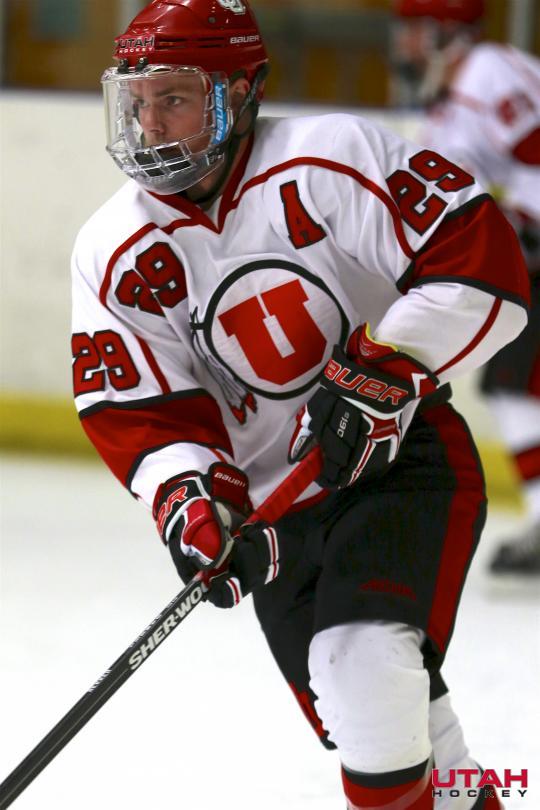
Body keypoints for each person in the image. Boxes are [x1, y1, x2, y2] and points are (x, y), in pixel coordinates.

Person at [71, 1, 529, 807]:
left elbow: (480, 261)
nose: (150, 123)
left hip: (396, 466)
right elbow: (141, 406)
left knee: (365, 675)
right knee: (394, 728)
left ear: (242, 93)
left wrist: (389, 367)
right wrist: (191, 498)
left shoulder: (332, 157)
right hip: (273, 517)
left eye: (175, 97)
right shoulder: (111, 246)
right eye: (137, 100)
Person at [393, 0, 540, 577]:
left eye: (413, 30)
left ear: (444, 32)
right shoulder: (447, 106)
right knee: (512, 382)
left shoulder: (487, 72)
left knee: (516, 379)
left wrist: (523, 218)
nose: (403, 43)